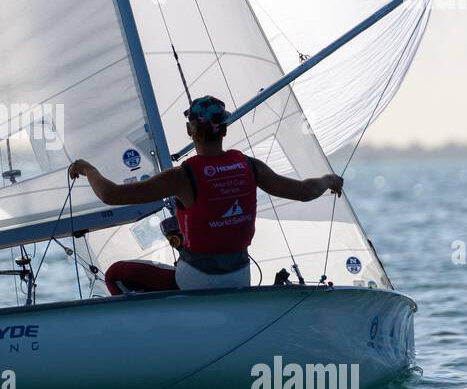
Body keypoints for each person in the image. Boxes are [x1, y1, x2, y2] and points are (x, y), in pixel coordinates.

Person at [68, 95, 343, 293]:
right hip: (240, 278)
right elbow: (305, 191)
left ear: (190, 131)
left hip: (195, 281)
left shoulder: (182, 176)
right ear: (224, 129)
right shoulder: (250, 166)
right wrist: (327, 179)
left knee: (117, 274)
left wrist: (88, 168)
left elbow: (111, 194)